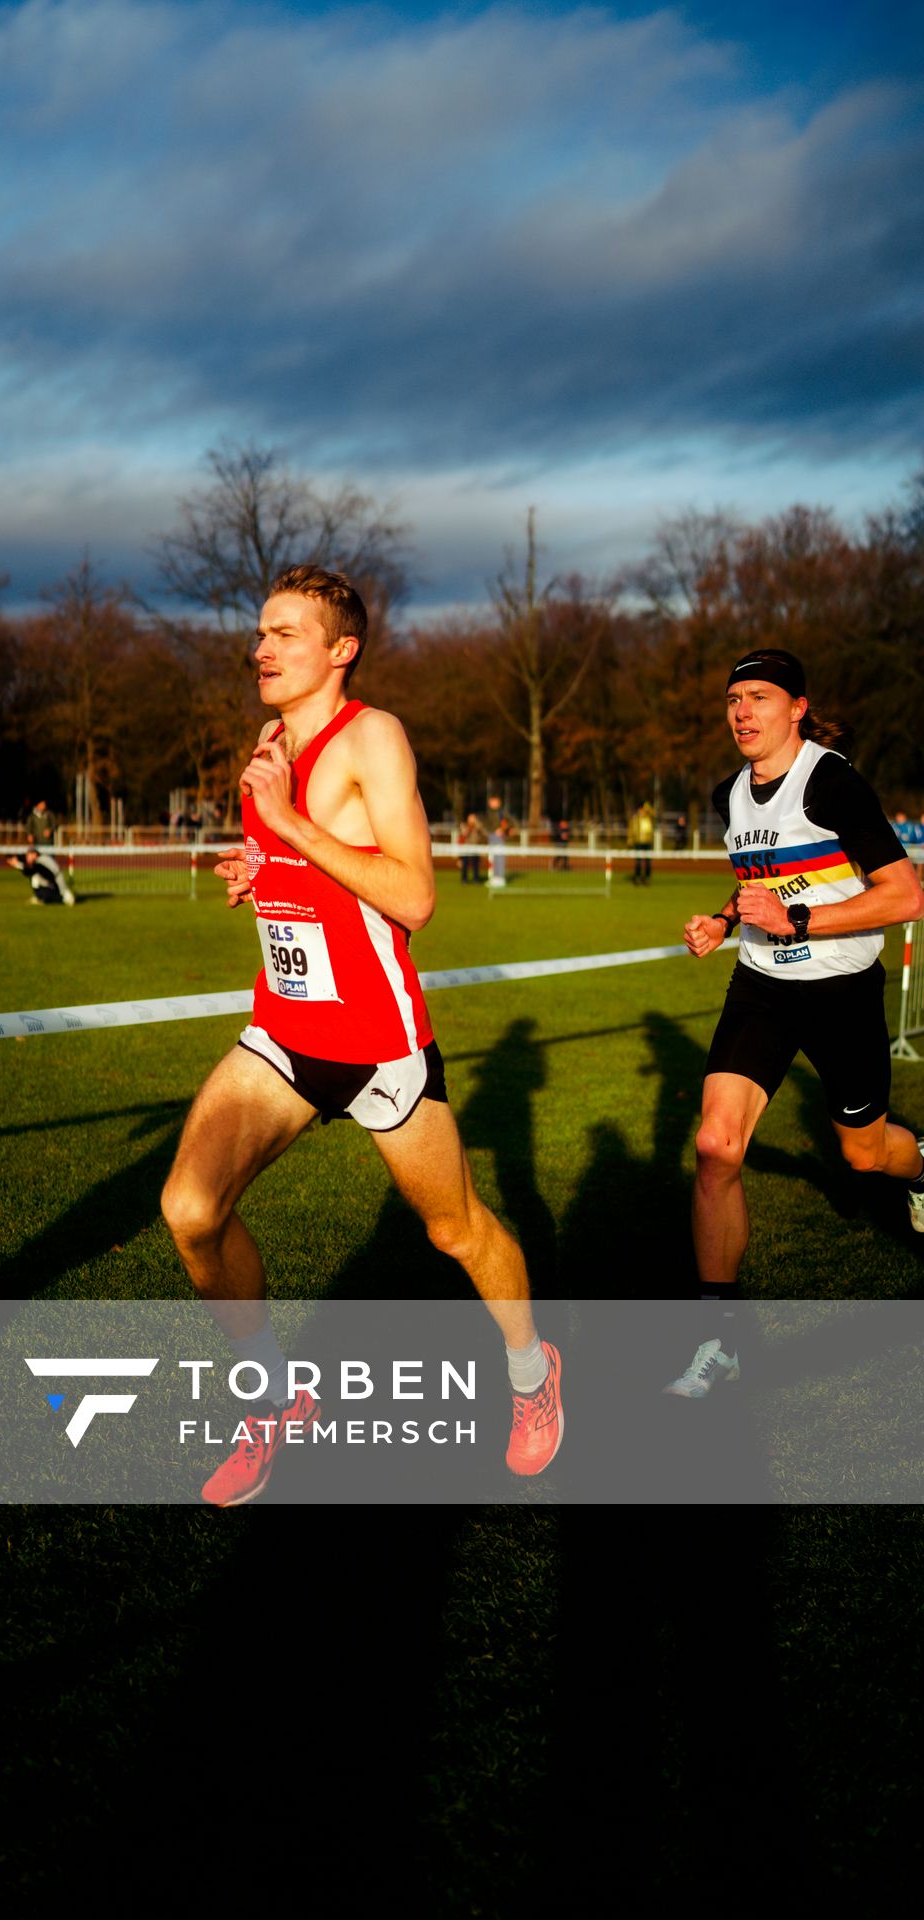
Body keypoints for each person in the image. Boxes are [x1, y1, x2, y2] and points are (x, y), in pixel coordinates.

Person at [160, 565, 563, 1505]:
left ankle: (533, 1375)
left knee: (456, 1230)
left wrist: (291, 824)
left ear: (341, 649)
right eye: (260, 632)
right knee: (190, 1213)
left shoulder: (373, 738)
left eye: (286, 634)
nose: (261, 648)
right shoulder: (270, 739)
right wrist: (258, 866)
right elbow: (304, 871)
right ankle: (272, 1400)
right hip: (284, 1036)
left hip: (378, 1046)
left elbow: (415, 896)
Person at [674, 647, 924, 1397]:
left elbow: (905, 895)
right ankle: (718, 1342)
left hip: (842, 993)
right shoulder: (731, 793)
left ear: (797, 708)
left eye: (758, 696)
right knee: (716, 1147)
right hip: (762, 988)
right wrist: (724, 921)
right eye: (732, 699)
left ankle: (923, 1164)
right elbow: (757, 879)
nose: (741, 711)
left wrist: (801, 917)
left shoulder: (833, 782)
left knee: (865, 1155)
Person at [6, 842, 73, 905]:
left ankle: (58, 897)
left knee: (35, 878)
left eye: (28, 855)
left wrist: (17, 865)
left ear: (34, 854)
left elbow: (29, 872)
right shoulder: (41, 859)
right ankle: (43, 897)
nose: (27, 857)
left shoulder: (39, 862)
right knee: (36, 878)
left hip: (56, 884)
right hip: (54, 882)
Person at [629, 800, 654, 884]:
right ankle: (637, 877)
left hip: (647, 842)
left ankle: (647, 878)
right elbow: (631, 830)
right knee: (638, 861)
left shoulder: (649, 817)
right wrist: (630, 840)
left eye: (643, 809)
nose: (641, 811)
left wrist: (648, 807)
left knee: (648, 862)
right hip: (638, 842)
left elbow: (654, 814)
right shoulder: (635, 818)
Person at [458, 812, 486, 884]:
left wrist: (477, 826)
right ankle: (464, 879)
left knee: (476, 864)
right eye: (470, 818)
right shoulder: (464, 825)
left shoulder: (478, 826)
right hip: (466, 847)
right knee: (465, 863)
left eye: (473, 818)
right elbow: (464, 834)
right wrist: (470, 827)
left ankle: (476, 879)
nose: (472, 820)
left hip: (475, 847)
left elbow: (484, 833)